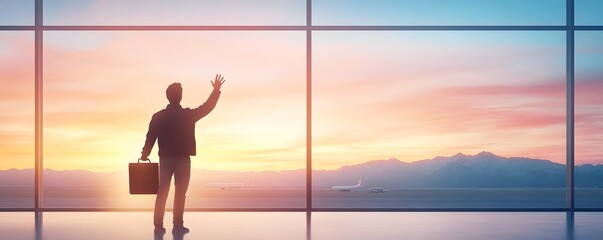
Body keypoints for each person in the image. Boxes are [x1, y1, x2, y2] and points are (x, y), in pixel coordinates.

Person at [140, 74, 225, 235]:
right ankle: (177, 224)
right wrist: (216, 91)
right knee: (180, 193)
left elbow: (150, 138)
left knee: (162, 192)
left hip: (164, 160)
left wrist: (145, 155)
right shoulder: (188, 115)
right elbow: (207, 107)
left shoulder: (158, 117)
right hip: (183, 161)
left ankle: (158, 225)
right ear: (180, 97)